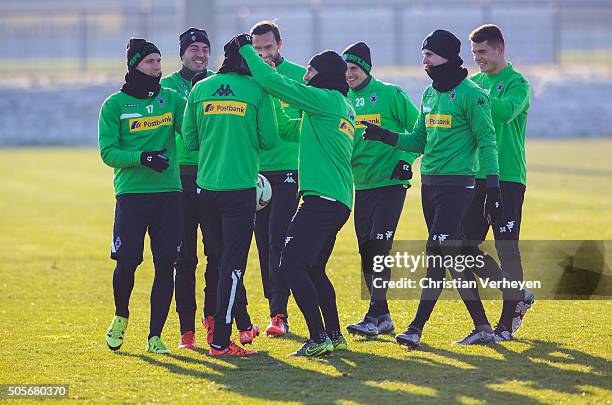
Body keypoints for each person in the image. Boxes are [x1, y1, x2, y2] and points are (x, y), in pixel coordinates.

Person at [362, 30, 502, 347]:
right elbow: (418, 141)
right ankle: (483, 327)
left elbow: (488, 141)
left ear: (449, 58)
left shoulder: (473, 94)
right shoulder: (428, 94)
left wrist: (492, 184)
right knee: (451, 256)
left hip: (458, 186)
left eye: (430, 55)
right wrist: (384, 135)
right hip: (430, 185)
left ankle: (415, 327)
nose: (424, 60)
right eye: (423, 54)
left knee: (435, 252)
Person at [236, 33, 355, 357]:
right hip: (337, 199)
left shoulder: (326, 99)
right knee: (313, 268)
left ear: (324, 75)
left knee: (288, 265)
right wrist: (268, 101)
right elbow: (290, 129)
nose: (304, 77)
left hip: (321, 199)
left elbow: (275, 82)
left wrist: (245, 48)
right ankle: (334, 334)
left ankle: (317, 338)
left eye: (310, 72)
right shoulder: (337, 107)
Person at [181, 38, 279, 357]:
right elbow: (270, 140)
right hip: (239, 192)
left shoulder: (200, 89)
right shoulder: (256, 91)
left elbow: (191, 140)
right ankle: (221, 342)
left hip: (206, 189)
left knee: (219, 262)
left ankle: (238, 327)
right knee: (233, 268)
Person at [100, 38, 186, 354]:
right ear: (134, 65)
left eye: (159, 61)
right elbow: (108, 152)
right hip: (132, 195)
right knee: (127, 262)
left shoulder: (173, 100)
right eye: (150, 61)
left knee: (166, 264)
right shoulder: (114, 105)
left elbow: (192, 131)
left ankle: (155, 335)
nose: (157, 67)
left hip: (169, 195)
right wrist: (143, 157)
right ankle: (121, 316)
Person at [342, 42, 420, 338]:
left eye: (354, 68)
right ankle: (382, 315)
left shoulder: (390, 94)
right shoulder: (342, 98)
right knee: (366, 249)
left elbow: (420, 133)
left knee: (379, 245)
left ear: (367, 68)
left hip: (390, 182)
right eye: (345, 69)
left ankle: (374, 315)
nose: (349, 75)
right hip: (361, 184)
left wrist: (405, 160)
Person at [463, 24, 534, 341]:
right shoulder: (474, 82)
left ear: (499, 49)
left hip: (507, 178)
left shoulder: (518, 83)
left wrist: (475, 95)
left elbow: (504, 113)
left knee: (508, 249)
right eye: (474, 53)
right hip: (476, 176)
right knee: (462, 246)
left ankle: (505, 325)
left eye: (483, 52)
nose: (478, 59)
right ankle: (516, 292)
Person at [250, 21, 307, 337]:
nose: (263, 54)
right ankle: (275, 307)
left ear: (279, 45)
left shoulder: (299, 77)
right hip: (255, 172)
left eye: (268, 48)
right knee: (262, 243)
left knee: (278, 239)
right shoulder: (249, 79)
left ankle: (279, 314)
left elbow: (306, 123)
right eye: (256, 50)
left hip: (289, 170)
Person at [160, 27, 215, 350]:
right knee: (184, 258)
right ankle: (186, 330)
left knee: (216, 255)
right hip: (179, 178)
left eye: (205, 49)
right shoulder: (166, 87)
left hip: (212, 176)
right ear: (182, 53)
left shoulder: (217, 85)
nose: (200, 54)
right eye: (194, 49)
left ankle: (212, 322)